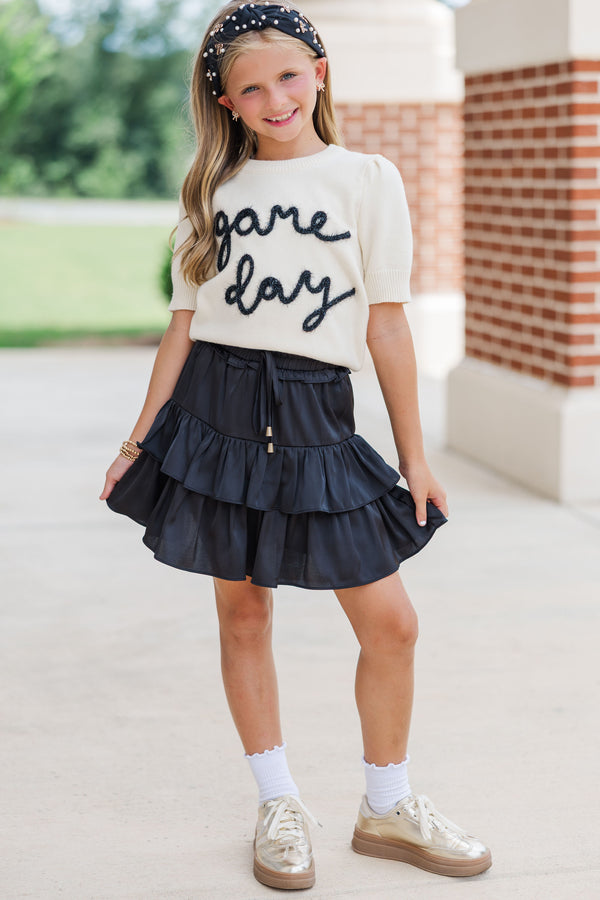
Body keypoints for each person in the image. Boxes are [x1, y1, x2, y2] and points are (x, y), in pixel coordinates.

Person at [100, 1, 491, 890]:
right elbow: (182, 328)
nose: (274, 97)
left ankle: (386, 804)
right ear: (228, 104)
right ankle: (277, 802)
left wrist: (414, 456)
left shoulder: (368, 178)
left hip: (319, 412)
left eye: (286, 75)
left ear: (318, 69)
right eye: (250, 88)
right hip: (217, 413)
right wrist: (138, 441)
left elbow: (387, 329)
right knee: (244, 614)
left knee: (391, 623)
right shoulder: (213, 189)